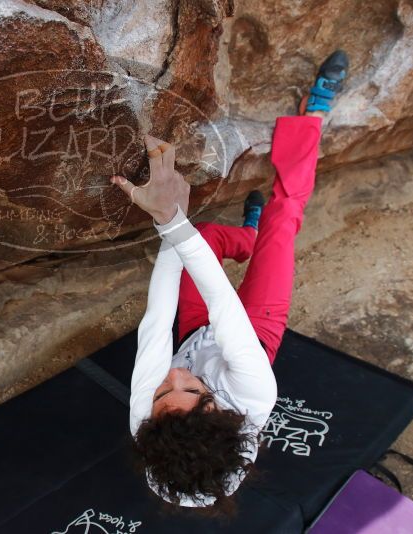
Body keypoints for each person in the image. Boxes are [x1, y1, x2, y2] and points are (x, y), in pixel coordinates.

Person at [109, 50, 349, 514]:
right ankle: (313, 119)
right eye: (195, 391)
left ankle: (247, 237)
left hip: (195, 332)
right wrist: (170, 219)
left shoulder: (144, 419)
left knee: (201, 239)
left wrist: (170, 221)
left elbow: (157, 324)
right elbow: (223, 303)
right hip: (253, 330)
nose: (175, 376)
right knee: (283, 218)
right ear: (223, 411)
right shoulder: (255, 395)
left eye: (162, 393)